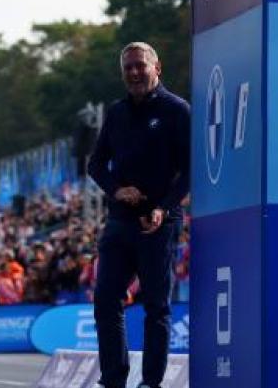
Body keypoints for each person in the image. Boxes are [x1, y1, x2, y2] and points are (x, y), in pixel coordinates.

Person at [86, 42, 189, 388]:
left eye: (139, 66)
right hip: (120, 221)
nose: (133, 72)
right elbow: (96, 164)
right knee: (105, 301)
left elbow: (190, 171)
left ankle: (151, 383)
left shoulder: (177, 111)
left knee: (156, 307)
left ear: (156, 67)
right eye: (127, 67)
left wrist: (163, 207)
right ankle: (113, 379)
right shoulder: (116, 113)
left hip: (158, 223)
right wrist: (116, 189)